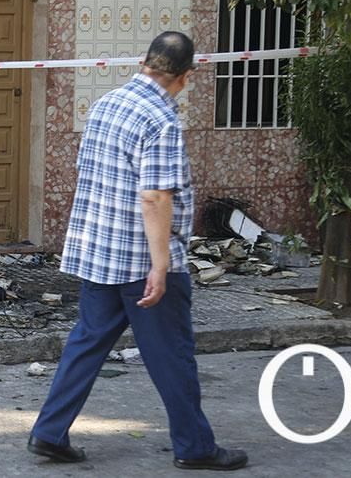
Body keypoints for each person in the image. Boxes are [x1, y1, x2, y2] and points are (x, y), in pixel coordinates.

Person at [27, 31, 248, 471]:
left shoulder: (108, 104)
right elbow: (155, 198)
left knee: (86, 344)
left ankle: (50, 432)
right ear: (185, 77)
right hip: (141, 260)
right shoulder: (161, 119)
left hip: (100, 251)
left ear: (146, 62)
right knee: (172, 356)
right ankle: (195, 446)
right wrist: (162, 265)